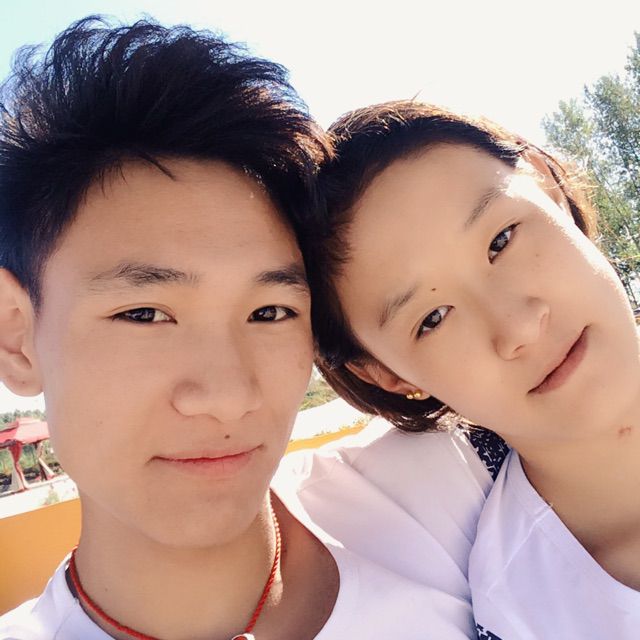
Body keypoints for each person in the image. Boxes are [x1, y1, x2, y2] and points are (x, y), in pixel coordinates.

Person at [0, 18, 490, 640]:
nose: (229, 396)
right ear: (17, 338)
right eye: (144, 314)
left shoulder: (458, 490)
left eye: (270, 312)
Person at [306, 99, 640, 639]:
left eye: (501, 241)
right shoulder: (529, 616)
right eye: (433, 319)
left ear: (547, 186)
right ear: (389, 376)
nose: (518, 327)